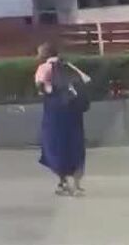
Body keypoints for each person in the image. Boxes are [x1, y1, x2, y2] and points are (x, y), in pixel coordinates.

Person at [35, 41, 91, 196]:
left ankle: (63, 183)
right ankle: (77, 185)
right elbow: (86, 80)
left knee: (55, 146)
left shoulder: (43, 68)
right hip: (73, 112)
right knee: (75, 145)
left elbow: (40, 87)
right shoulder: (69, 66)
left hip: (55, 112)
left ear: (44, 54)